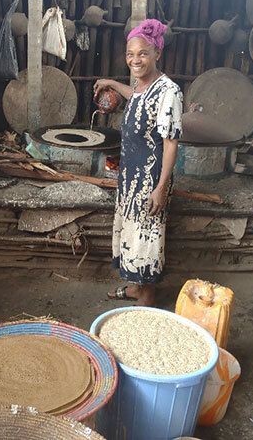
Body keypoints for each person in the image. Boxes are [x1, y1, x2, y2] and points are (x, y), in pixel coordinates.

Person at [94, 19, 183, 306]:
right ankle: (135, 287)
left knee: (145, 238)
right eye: (131, 54)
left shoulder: (169, 91)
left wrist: (160, 188)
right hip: (130, 175)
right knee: (130, 232)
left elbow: (170, 143)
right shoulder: (142, 86)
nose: (135, 59)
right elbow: (136, 96)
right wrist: (111, 83)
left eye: (143, 53)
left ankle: (145, 299)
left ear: (157, 53)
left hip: (150, 179)